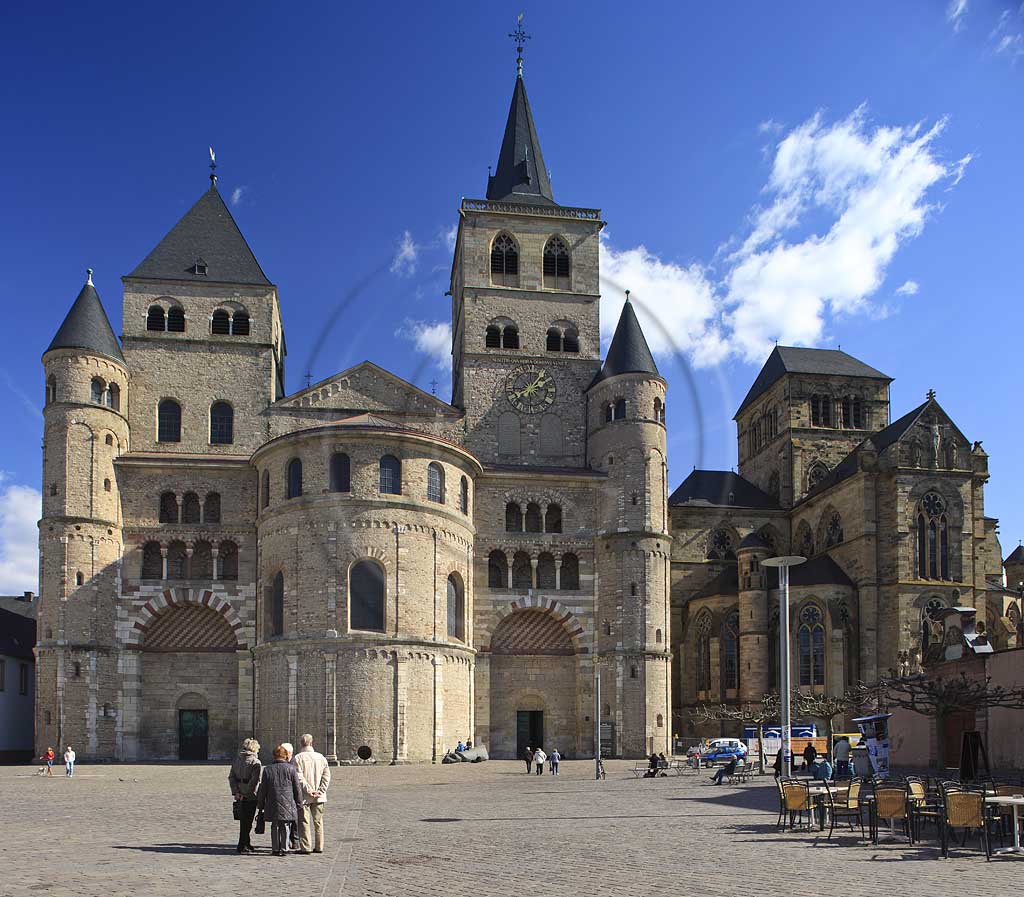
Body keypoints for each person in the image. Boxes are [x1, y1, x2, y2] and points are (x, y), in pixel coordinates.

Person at [256, 744, 304, 857]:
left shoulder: (267, 770)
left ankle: (275, 848)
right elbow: (297, 788)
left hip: (272, 800)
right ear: (286, 756)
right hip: (288, 802)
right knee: (285, 825)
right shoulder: (291, 769)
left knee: (275, 825)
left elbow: (263, 789)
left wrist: (260, 804)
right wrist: (299, 803)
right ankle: (285, 848)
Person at [293, 734, 331, 855]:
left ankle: (306, 847)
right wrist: (321, 790)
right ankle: (319, 846)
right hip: (319, 796)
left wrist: (309, 790)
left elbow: (299, 777)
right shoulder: (321, 757)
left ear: (301, 743)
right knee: (318, 821)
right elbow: (326, 776)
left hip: (304, 796)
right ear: (312, 743)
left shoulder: (297, 758)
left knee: (304, 821)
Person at [229, 737, 263, 854]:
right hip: (250, 796)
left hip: (239, 794)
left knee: (243, 821)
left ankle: (246, 842)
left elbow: (231, 777)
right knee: (247, 822)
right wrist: (247, 794)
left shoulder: (237, 760)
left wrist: (236, 792)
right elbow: (255, 782)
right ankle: (242, 845)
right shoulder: (255, 762)